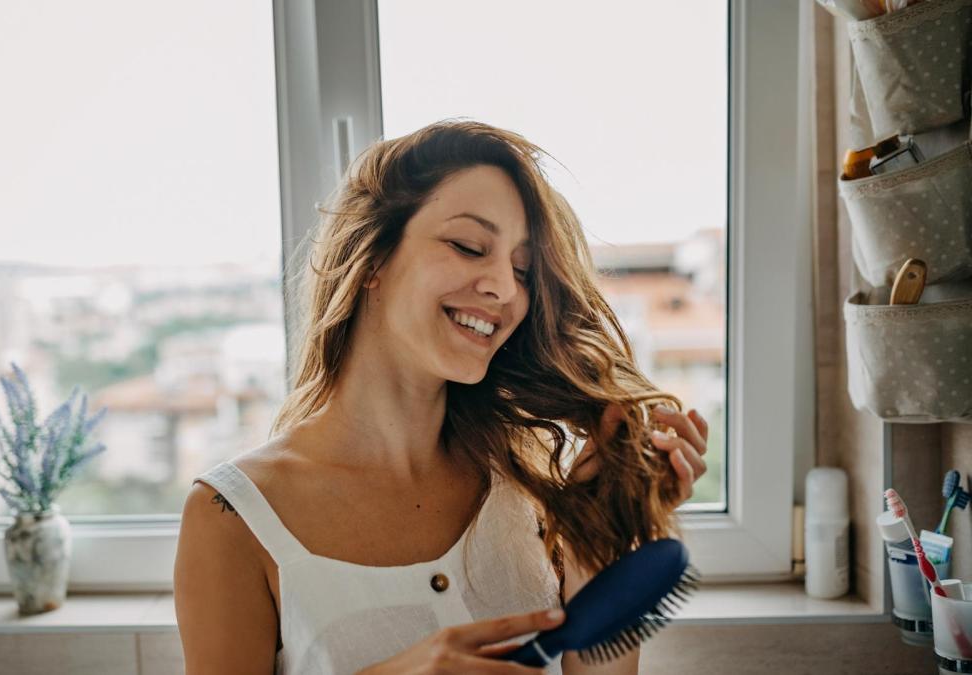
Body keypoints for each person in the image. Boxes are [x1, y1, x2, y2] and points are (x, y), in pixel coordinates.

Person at [173, 120, 710, 674]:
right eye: (468, 246)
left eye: (522, 270)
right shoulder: (235, 517)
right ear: (373, 257)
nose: (504, 288)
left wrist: (600, 540)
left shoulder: (528, 490)